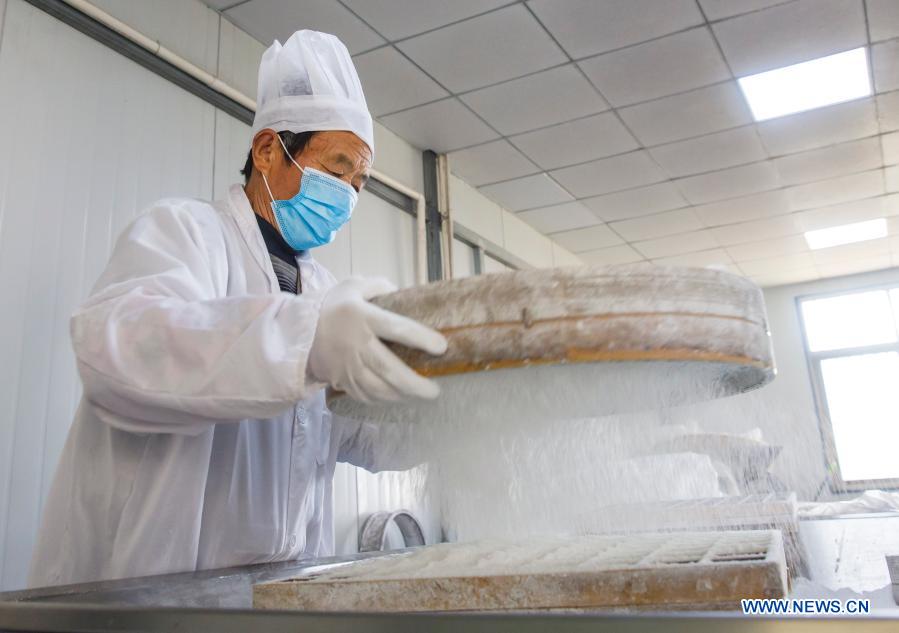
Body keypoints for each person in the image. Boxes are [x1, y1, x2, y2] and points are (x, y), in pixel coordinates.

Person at [28, 30, 446, 587]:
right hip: (139, 598)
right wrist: (306, 344)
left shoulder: (320, 293)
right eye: (337, 166)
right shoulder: (184, 233)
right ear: (268, 149)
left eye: (359, 180)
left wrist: (454, 414)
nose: (348, 192)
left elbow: (351, 435)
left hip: (271, 598)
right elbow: (121, 353)